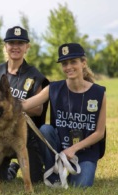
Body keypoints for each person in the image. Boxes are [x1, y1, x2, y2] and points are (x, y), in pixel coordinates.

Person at [22, 43, 106, 187]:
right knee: (46, 130)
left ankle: (77, 169)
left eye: (73, 62)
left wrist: (73, 148)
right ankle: (53, 173)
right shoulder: (54, 88)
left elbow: (99, 133)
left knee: (80, 186)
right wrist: (1, 102)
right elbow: (25, 104)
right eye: (64, 63)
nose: (68, 67)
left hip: (85, 151)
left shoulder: (98, 93)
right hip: (59, 148)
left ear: (83, 63)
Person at [0, 26, 50, 183]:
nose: (15, 47)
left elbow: (38, 109)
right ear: (5, 46)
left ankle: (22, 164)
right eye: (11, 42)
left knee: (36, 180)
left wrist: (9, 106)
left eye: (20, 43)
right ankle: (12, 169)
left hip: (25, 135)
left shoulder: (35, 75)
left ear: (27, 47)